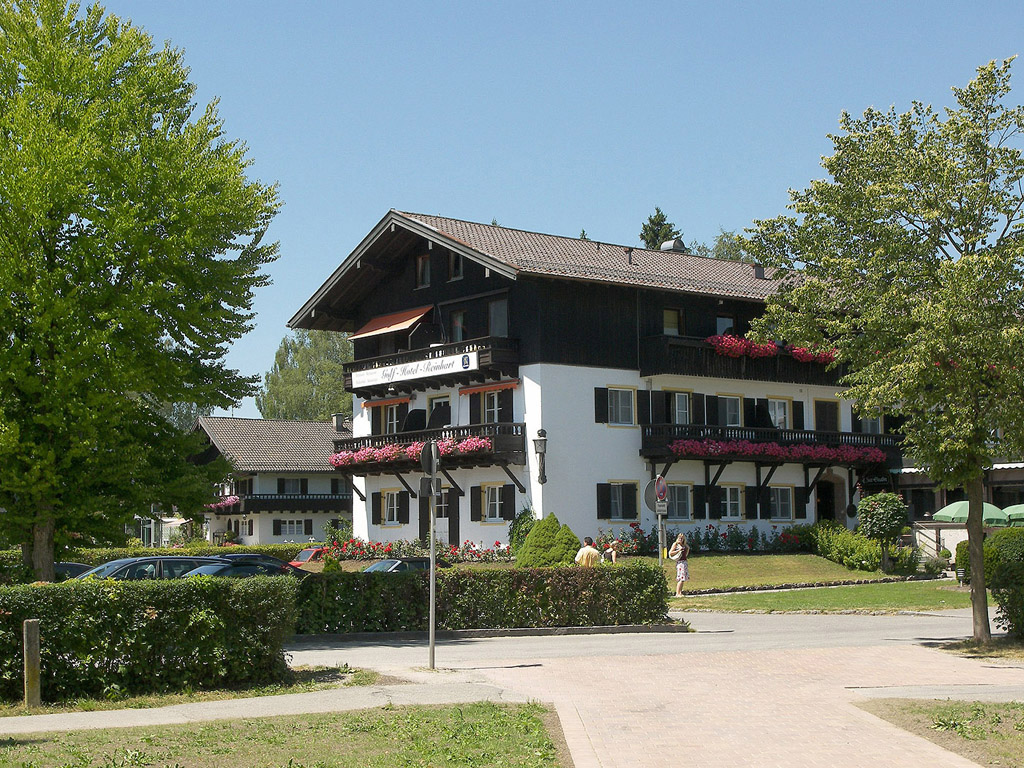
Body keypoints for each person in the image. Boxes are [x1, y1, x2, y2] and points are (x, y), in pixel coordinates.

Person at [668, 533, 690, 597]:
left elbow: (686, 553)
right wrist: (678, 550)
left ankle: (680, 592)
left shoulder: (684, 545)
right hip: (680, 562)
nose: (680, 539)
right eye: (679, 537)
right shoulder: (676, 544)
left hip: (684, 562)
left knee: (683, 579)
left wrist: (687, 549)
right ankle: (677, 593)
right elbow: (671, 553)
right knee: (681, 578)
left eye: (682, 538)